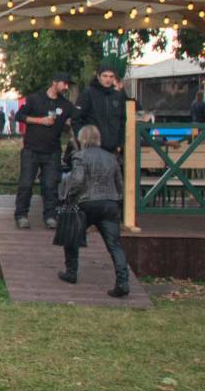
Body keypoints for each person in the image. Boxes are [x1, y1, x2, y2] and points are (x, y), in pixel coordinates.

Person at [57, 124, 131, 297]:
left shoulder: (80, 156)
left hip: (86, 203)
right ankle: (123, 281)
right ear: (98, 139)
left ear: (82, 139)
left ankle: (71, 272)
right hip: (110, 204)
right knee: (115, 246)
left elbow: (77, 182)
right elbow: (119, 184)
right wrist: (116, 200)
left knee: (72, 235)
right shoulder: (111, 157)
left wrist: (69, 199)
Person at [14, 72, 75, 229]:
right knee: (26, 184)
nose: (66, 87)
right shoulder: (35, 99)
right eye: (64, 83)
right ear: (55, 82)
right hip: (31, 150)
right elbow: (19, 116)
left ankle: (50, 216)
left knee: (50, 186)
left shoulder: (66, 105)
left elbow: (78, 118)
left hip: (52, 151)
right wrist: (39, 120)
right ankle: (21, 215)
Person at [76, 63, 129, 156]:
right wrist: (83, 141)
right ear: (98, 76)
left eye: (111, 76)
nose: (108, 79)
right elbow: (76, 118)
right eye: (105, 76)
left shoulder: (118, 96)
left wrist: (120, 144)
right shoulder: (88, 93)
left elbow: (122, 121)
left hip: (113, 149)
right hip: (92, 148)